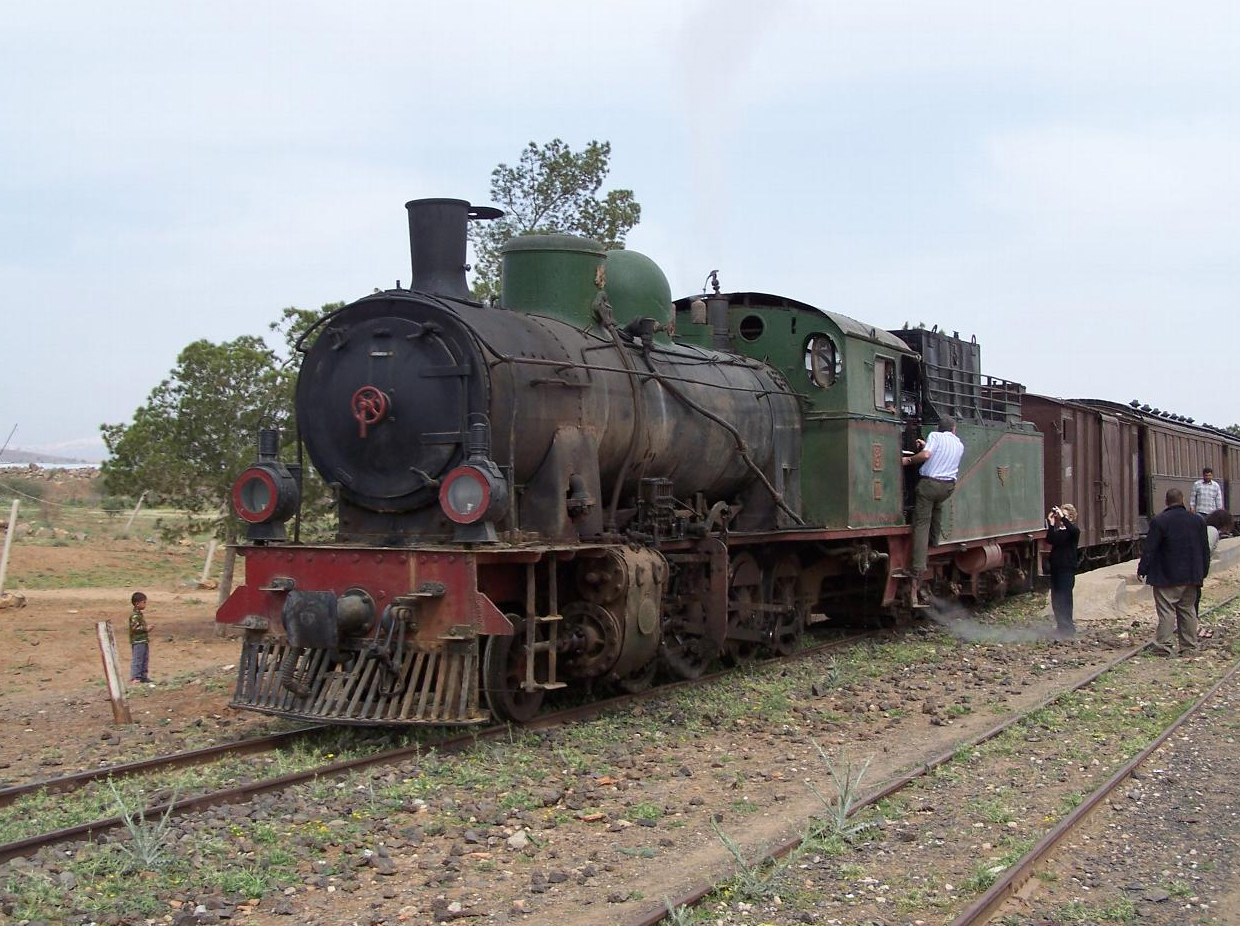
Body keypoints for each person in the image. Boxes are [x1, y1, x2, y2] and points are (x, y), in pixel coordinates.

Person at [1137, 488, 1210, 656]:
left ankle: (1163, 646)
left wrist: (1143, 569)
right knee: (1188, 610)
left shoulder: (1159, 521)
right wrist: (1203, 571)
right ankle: (1189, 647)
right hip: (1191, 575)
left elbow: (1150, 549)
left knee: (1166, 611)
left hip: (1166, 576)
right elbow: (1204, 549)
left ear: (1166, 502)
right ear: (1182, 499)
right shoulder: (1197, 521)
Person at [901, 415, 965, 603]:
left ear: (938, 428)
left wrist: (909, 460)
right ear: (953, 429)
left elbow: (927, 455)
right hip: (947, 487)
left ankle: (918, 566)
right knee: (937, 510)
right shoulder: (959, 444)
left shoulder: (935, 437)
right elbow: (939, 455)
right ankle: (934, 542)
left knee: (921, 523)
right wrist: (924, 444)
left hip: (930, 485)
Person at [1046, 503, 1080, 639]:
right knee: (1056, 599)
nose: (1061, 517)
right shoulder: (1059, 531)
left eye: (1065, 515)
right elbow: (1050, 539)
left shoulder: (1073, 531)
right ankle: (1061, 626)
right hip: (1056, 569)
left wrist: (1063, 518)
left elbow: (1073, 531)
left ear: (1071, 517)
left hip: (1067, 569)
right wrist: (1051, 523)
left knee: (1065, 599)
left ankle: (1068, 628)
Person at [128, 591, 152, 684]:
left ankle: (143, 676)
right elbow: (135, 628)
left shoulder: (139, 614)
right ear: (137, 603)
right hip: (138, 640)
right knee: (138, 658)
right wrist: (146, 629)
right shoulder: (134, 616)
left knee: (145, 658)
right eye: (144, 602)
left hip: (143, 640)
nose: (145, 604)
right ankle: (135, 677)